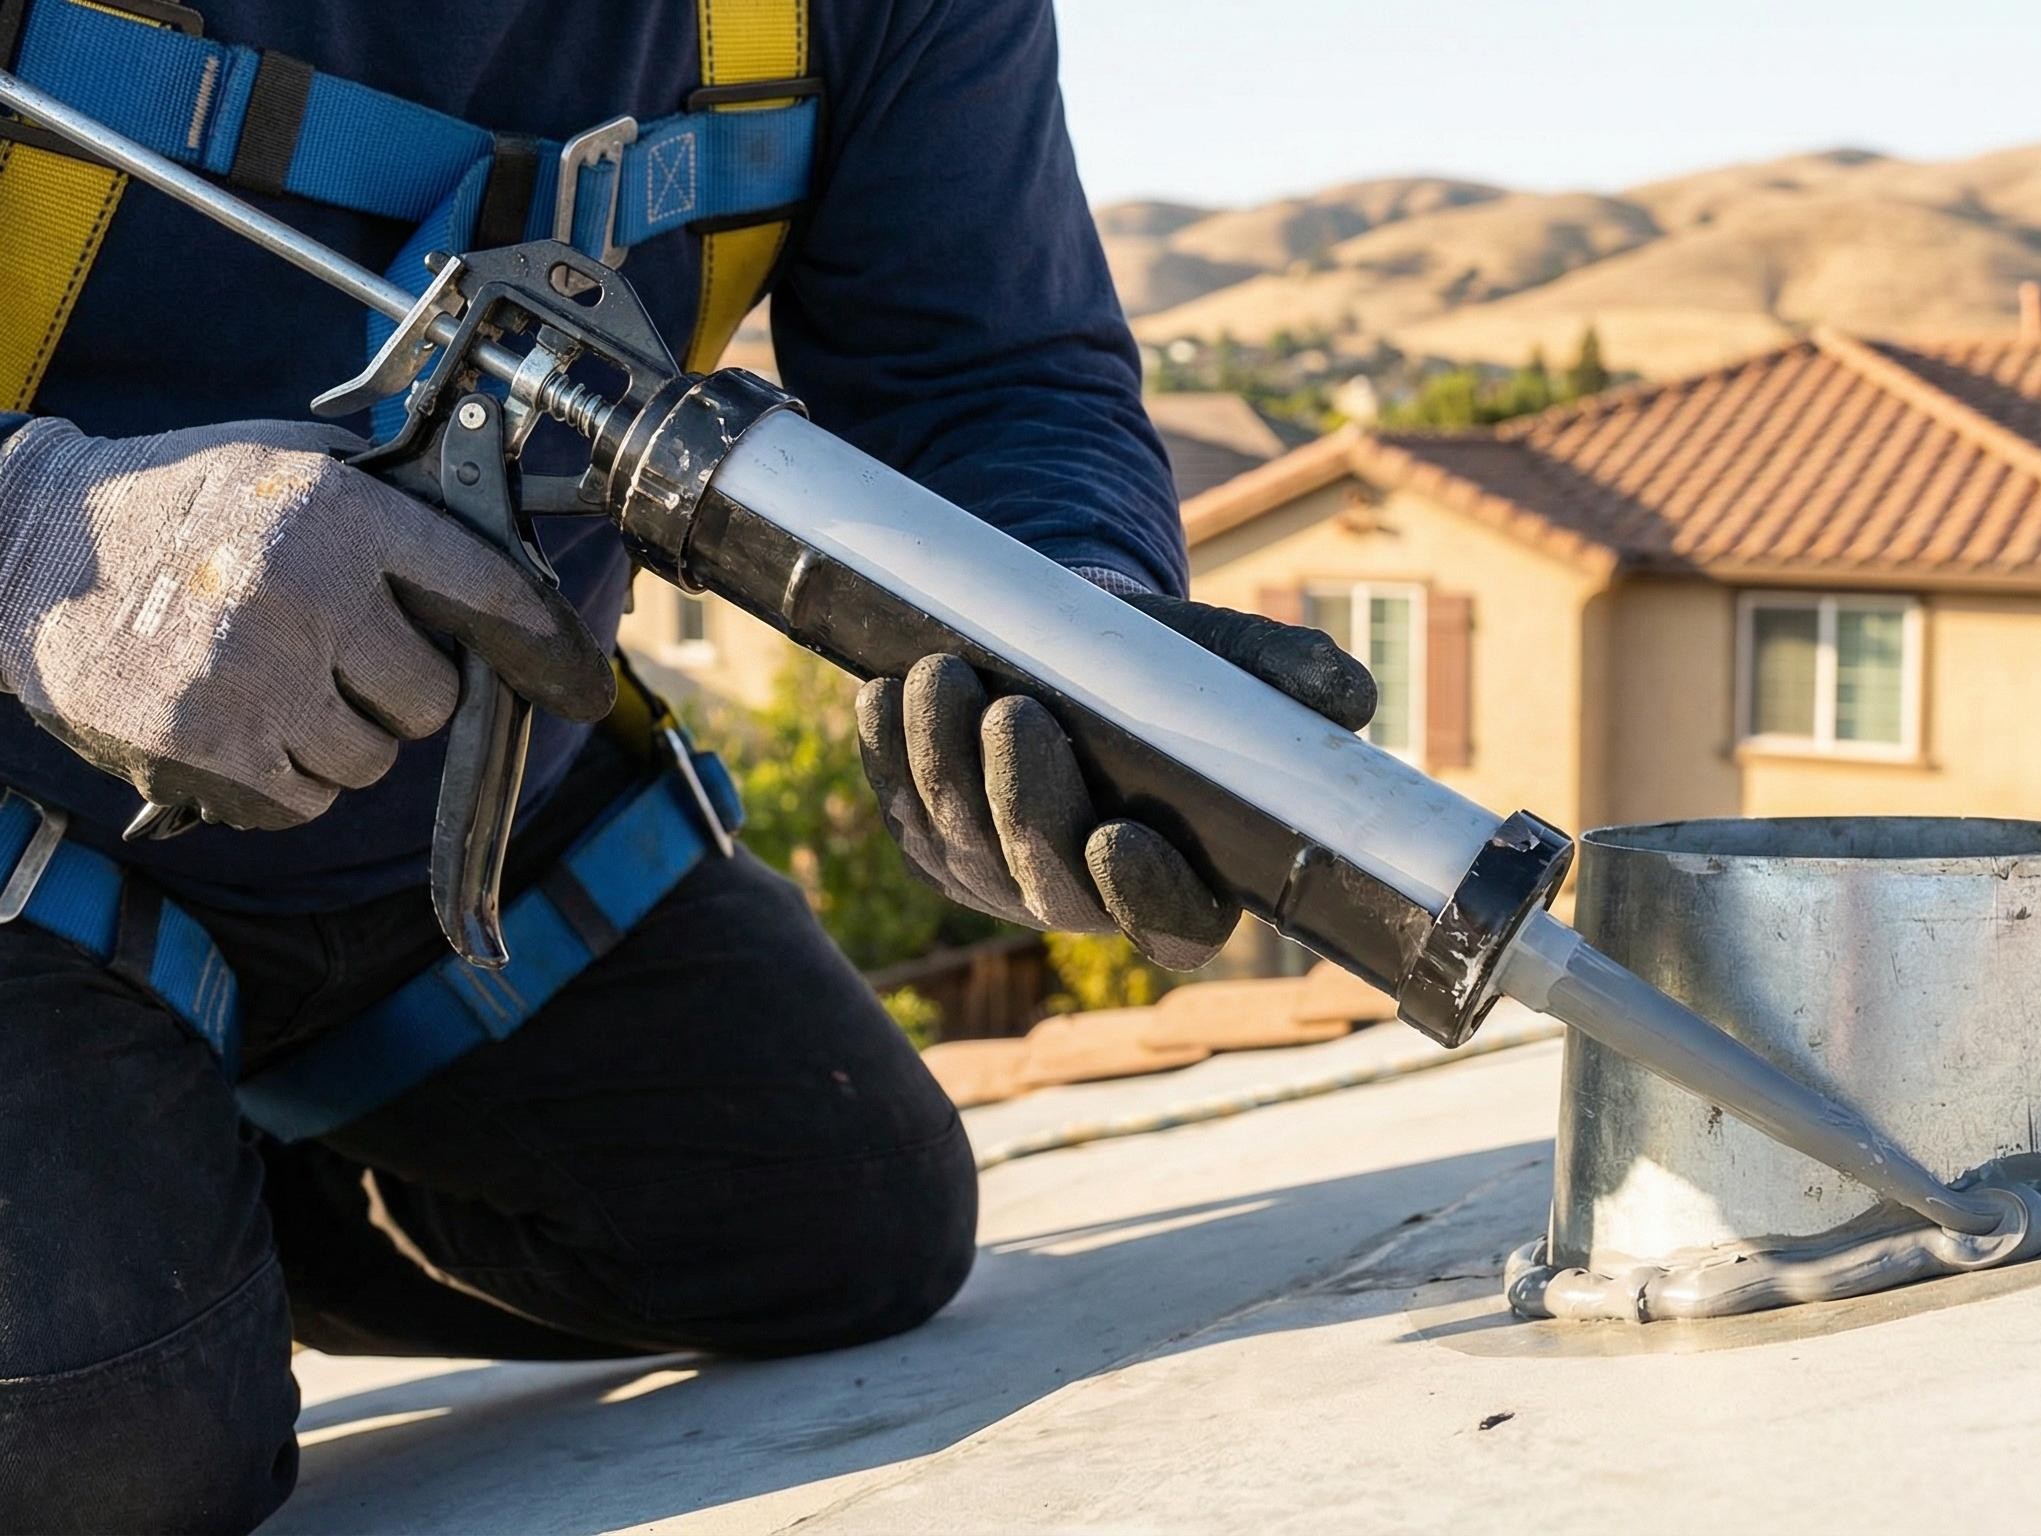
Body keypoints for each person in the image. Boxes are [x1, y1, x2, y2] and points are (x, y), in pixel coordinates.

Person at [0, 1, 1371, 1529]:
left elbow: (990, 381)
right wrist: (38, 541)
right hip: (18, 833)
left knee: (835, 1225)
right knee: (98, 1441)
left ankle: (174, 1191)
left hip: (462, 818)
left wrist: (1078, 636)